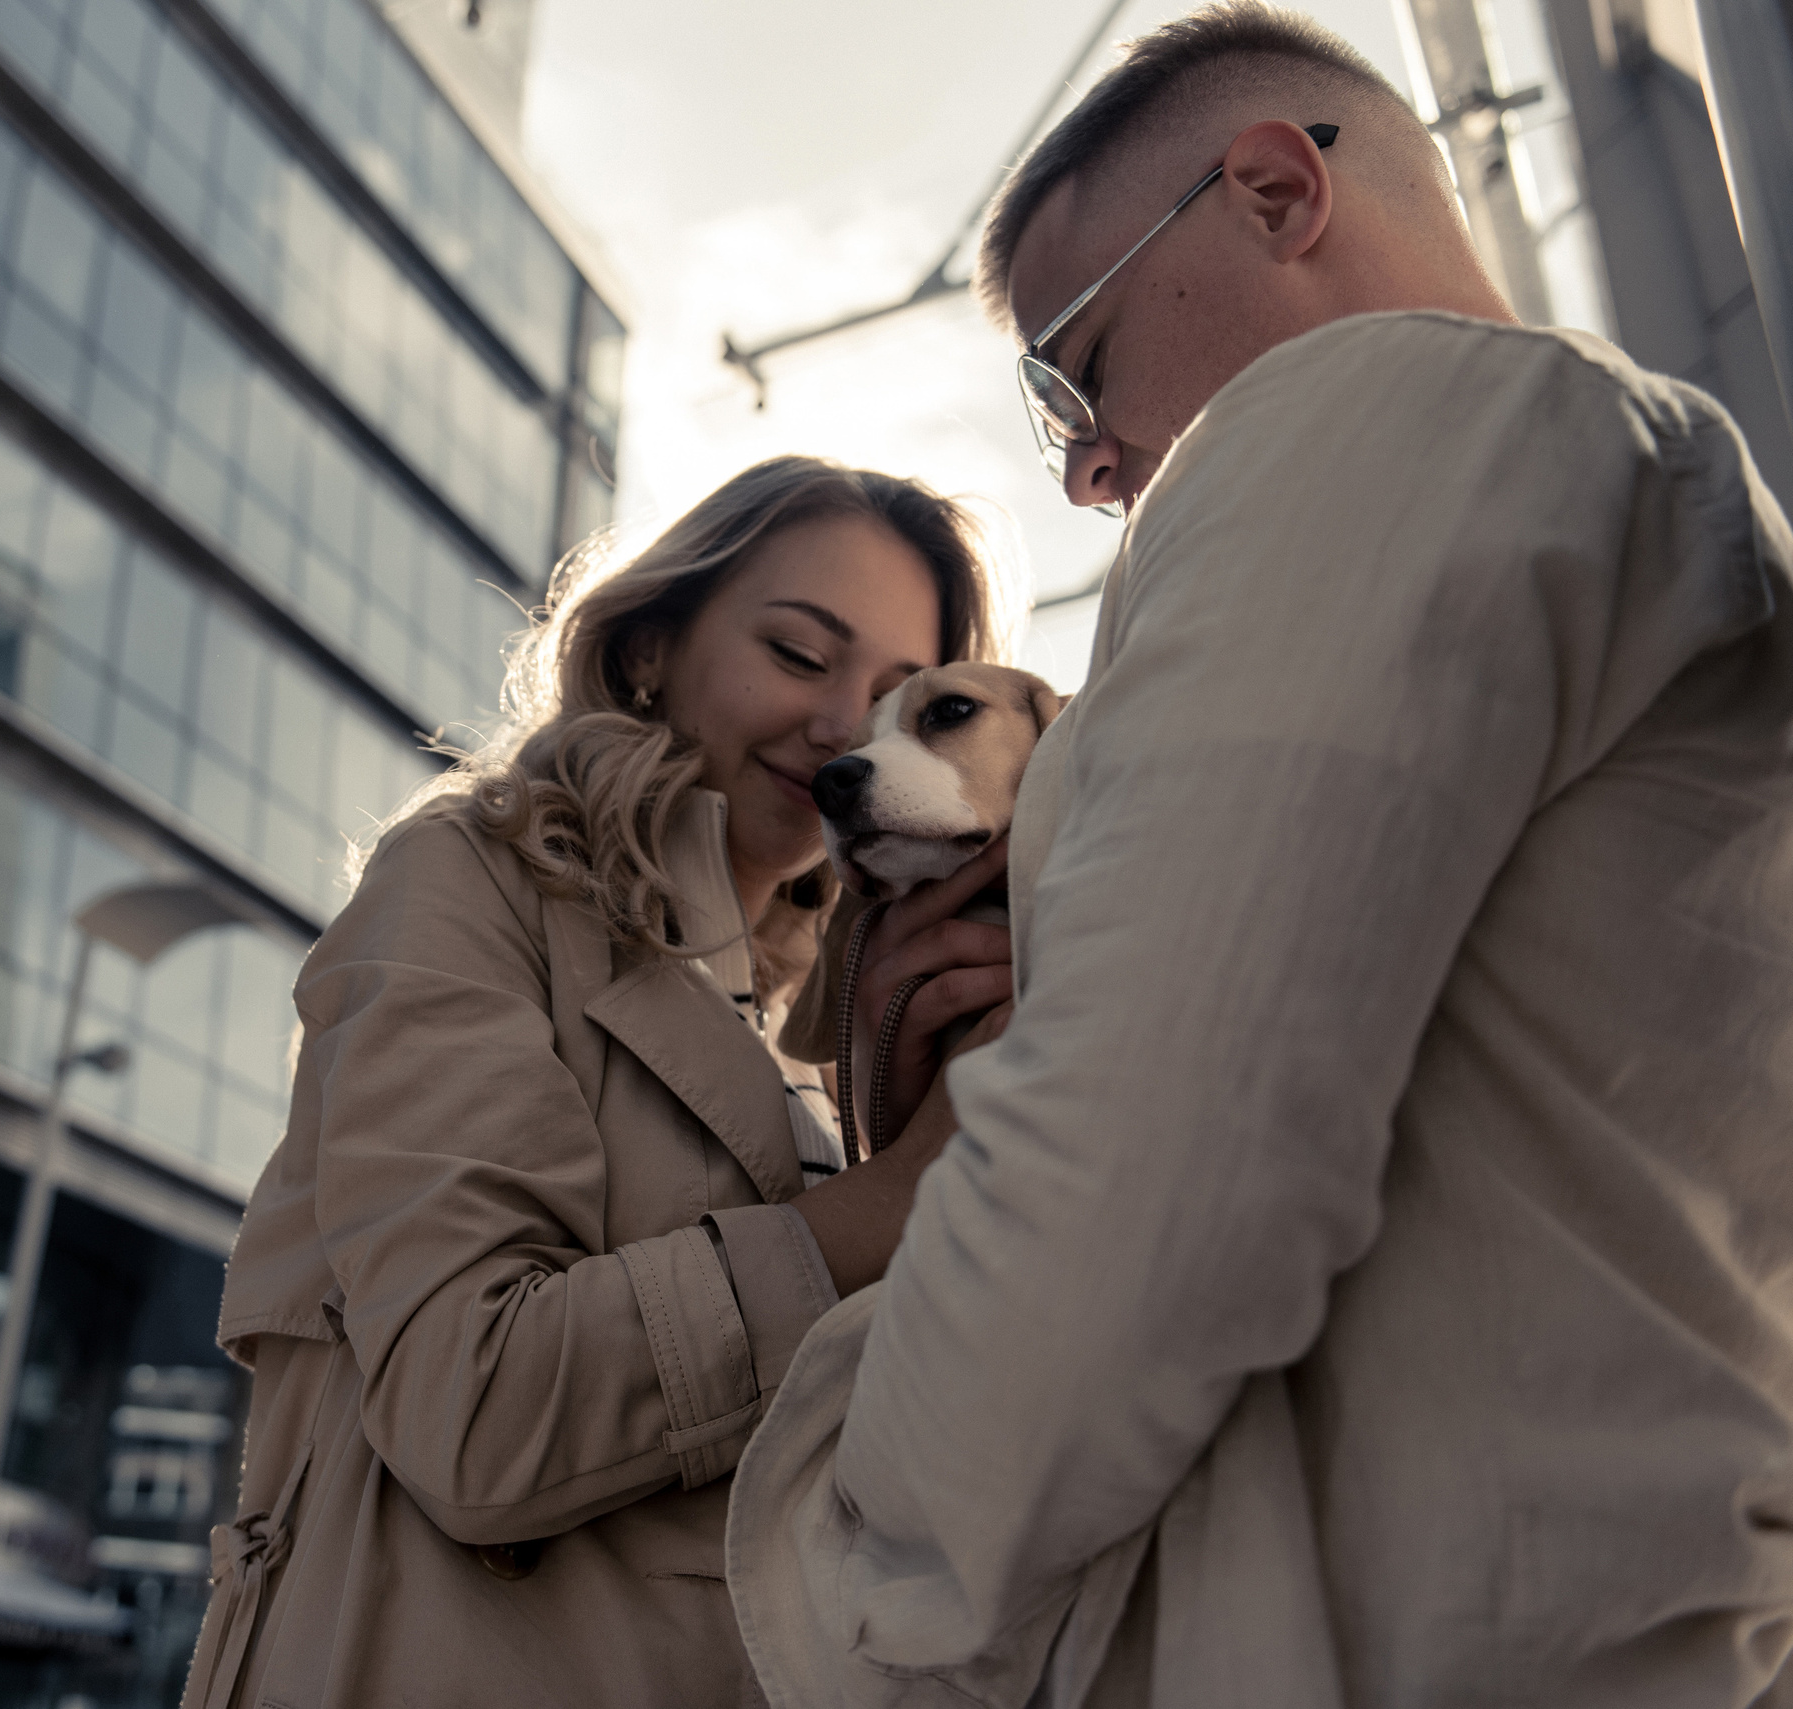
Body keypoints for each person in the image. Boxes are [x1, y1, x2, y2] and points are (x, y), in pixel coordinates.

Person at [726, 6, 1793, 1706]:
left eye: (1078, 368)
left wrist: (849, 1541)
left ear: (1277, 193)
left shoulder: (1375, 408)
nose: (1083, 464)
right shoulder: (1641, 500)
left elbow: (1141, 1170)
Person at [178, 456, 1022, 1709]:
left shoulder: (820, 1034)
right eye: (797, 654)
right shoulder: (470, 883)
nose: (849, 727)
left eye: (908, 699)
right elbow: (472, 1404)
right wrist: (897, 1197)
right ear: (649, 648)